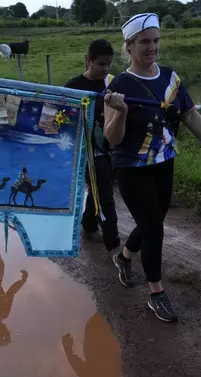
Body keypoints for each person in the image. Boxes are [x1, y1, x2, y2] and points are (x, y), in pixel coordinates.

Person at [103, 13, 201, 323]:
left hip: (164, 162)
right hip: (132, 166)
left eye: (156, 41)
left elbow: (189, 115)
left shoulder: (171, 79)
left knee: (155, 219)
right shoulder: (118, 85)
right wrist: (120, 112)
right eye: (145, 42)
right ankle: (156, 292)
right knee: (154, 227)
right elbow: (112, 138)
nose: (152, 47)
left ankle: (123, 257)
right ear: (130, 45)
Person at [65, 39, 120, 254]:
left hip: (108, 147)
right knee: (105, 193)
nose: (105, 69)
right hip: (84, 150)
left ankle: (88, 224)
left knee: (100, 187)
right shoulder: (73, 87)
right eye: (100, 64)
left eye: (108, 64)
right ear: (88, 60)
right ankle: (113, 244)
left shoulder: (112, 85)